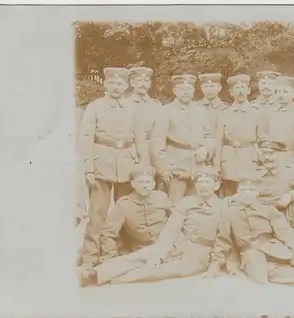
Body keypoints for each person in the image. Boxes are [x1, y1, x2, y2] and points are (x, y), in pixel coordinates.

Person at [79, 166, 224, 286]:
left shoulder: (224, 208)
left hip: (201, 253)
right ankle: (96, 274)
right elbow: (171, 230)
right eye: (201, 182)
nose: (204, 185)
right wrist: (159, 254)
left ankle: (115, 279)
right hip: (179, 243)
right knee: (142, 257)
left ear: (216, 185)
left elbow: (224, 240)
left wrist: (215, 265)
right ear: (196, 185)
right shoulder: (186, 202)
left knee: (162, 271)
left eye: (208, 181)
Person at [78, 67, 148, 268]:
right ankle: (90, 256)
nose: (116, 87)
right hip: (101, 163)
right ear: (105, 84)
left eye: (120, 84)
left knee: (126, 210)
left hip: (128, 164)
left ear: (126, 86)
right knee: (97, 213)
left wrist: (141, 167)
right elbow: (85, 138)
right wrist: (88, 168)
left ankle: (122, 252)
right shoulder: (95, 107)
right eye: (112, 83)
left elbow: (140, 138)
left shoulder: (132, 108)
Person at [151, 72, 215, 203]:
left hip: (198, 165)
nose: (186, 92)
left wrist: (206, 149)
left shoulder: (200, 110)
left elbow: (210, 136)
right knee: (174, 203)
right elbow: (157, 141)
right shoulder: (165, 111)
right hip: (175, 164)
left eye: (189, 89)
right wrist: (163, 168)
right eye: (182, 89)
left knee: (198, 203)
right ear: (174, 91)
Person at [98, 164, 173, 261]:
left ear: (153, 184)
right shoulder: (123, 205)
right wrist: (111, 257)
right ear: (133, 184)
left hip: (167, 248)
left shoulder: (161, 197)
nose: (145, 186)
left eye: (148, 182)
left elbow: (178, 218)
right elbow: (108, 234)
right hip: (141, 252)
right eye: (140, 182)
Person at [213, 73, 266, 197]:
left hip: (250, 159)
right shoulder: (223, 114)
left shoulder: (258, 114)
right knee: (228, 195)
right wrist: (216, 166)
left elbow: (263, 142)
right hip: (229, 161)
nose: (240, 92)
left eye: (243, 88)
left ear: (248, 91)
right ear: (231, 92)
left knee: (250, 194)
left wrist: (264, 163)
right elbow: (218, 142)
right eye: (237, 89)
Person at [265, 75, 294, 167]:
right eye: (278, 91)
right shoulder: (272, 114)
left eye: (285, 91)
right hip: (270, 162)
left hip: (289, 161)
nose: (281, 95)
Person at [123, 66, 162, 165]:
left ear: (149, 84)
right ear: (132, 83)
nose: (143, 84)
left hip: (153, 154)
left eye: (146, 81)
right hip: (130, 154)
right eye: (140, 80)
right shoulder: (124, 104)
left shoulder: (156, 106)